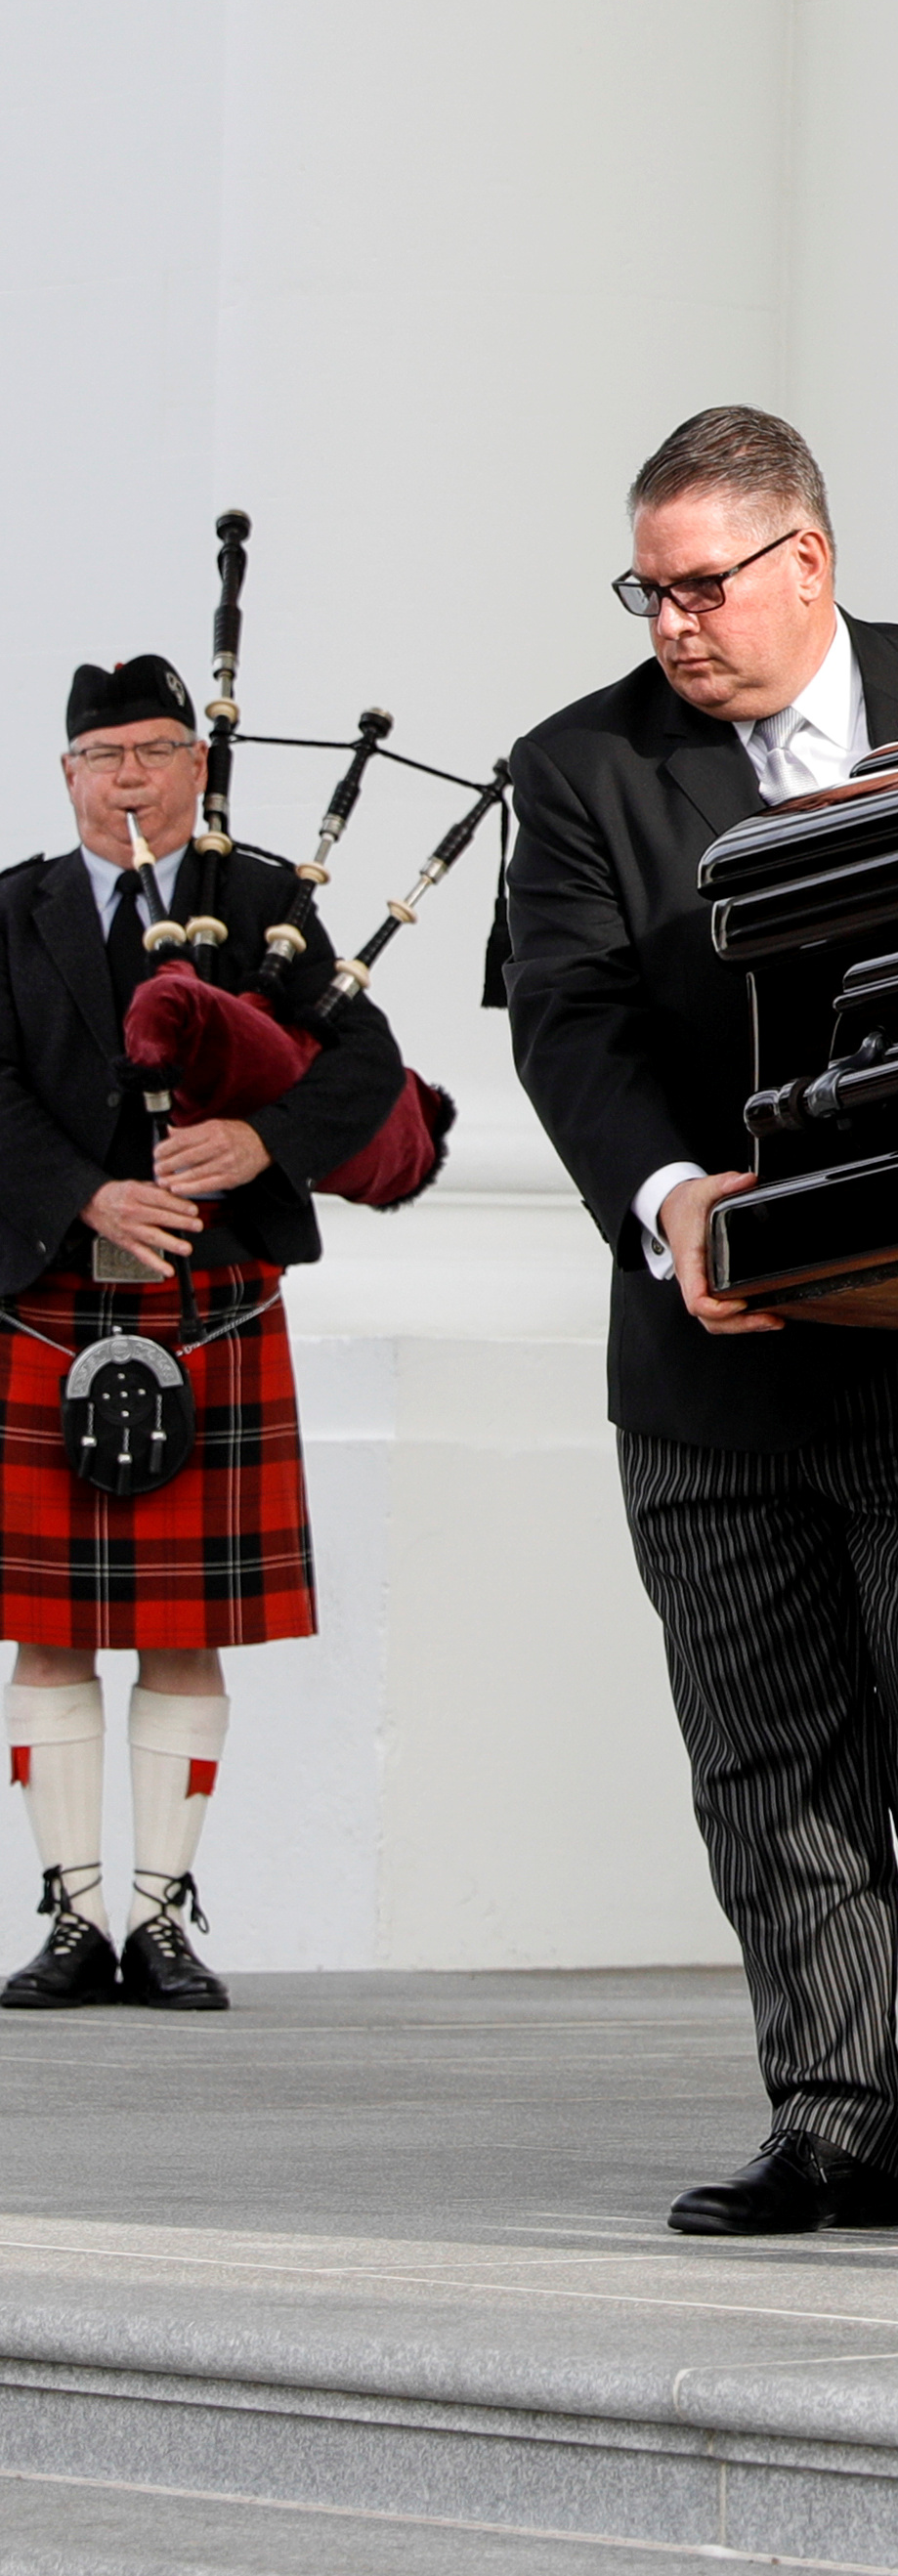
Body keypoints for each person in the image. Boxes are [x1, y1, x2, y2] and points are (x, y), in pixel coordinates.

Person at [505, 406, 898, 2237]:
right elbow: (570, 1024)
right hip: (706, 1357)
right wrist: (671, 1197)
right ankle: (836, 2116)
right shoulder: (580, 769)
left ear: (811, 561)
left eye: (704, 583)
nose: (672, 624)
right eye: (648, 588)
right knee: (767, 1746)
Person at [0, 658, 405, 2017]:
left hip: (213, 1298)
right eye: (103, 753)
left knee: (181, 1627)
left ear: (196, 768)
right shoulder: (15, 912)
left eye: (158, 748)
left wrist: (262, 1136)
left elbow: (363, 1069)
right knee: (47, 1631)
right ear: (68, 773)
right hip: (55, 1296)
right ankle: (71, 1915)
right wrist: (82, 1189)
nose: (130, 774)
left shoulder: (264, 904)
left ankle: (164, 1917)